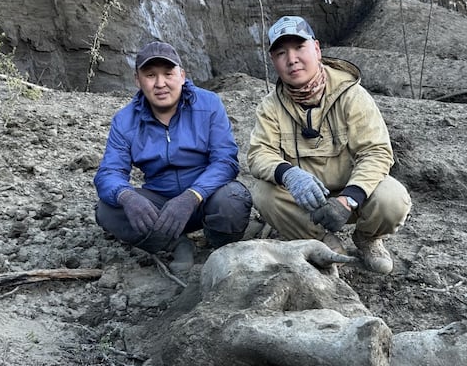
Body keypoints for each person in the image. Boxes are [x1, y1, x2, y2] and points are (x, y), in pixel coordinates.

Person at [247, 16, 411, 274]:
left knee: (393, 198)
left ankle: (368, 238)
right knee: (263, 193)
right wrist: (289, 175)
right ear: (273, 62)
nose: (292, 59)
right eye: (281, 53)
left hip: (354, 195)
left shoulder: (352, 94)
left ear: (317, 49)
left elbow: (376, 153)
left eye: (299, 48)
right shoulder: (270, 106)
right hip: (305, 201)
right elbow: (259, 154)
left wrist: (349, 199)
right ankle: (320, 240)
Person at [94, 41, 252, 274]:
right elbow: (109, 173)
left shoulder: (209, 104)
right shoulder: (124, 120)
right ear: (137, 80)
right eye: (150, 75)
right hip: (160, 207)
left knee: (233, 198)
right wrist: (126, 196)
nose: (160, 83)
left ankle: (219, 246)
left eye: (168, 74)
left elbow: (226, 161)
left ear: (182, 75)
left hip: (205, 199)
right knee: (107, 210)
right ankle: (176, 244)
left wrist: (192, 196)